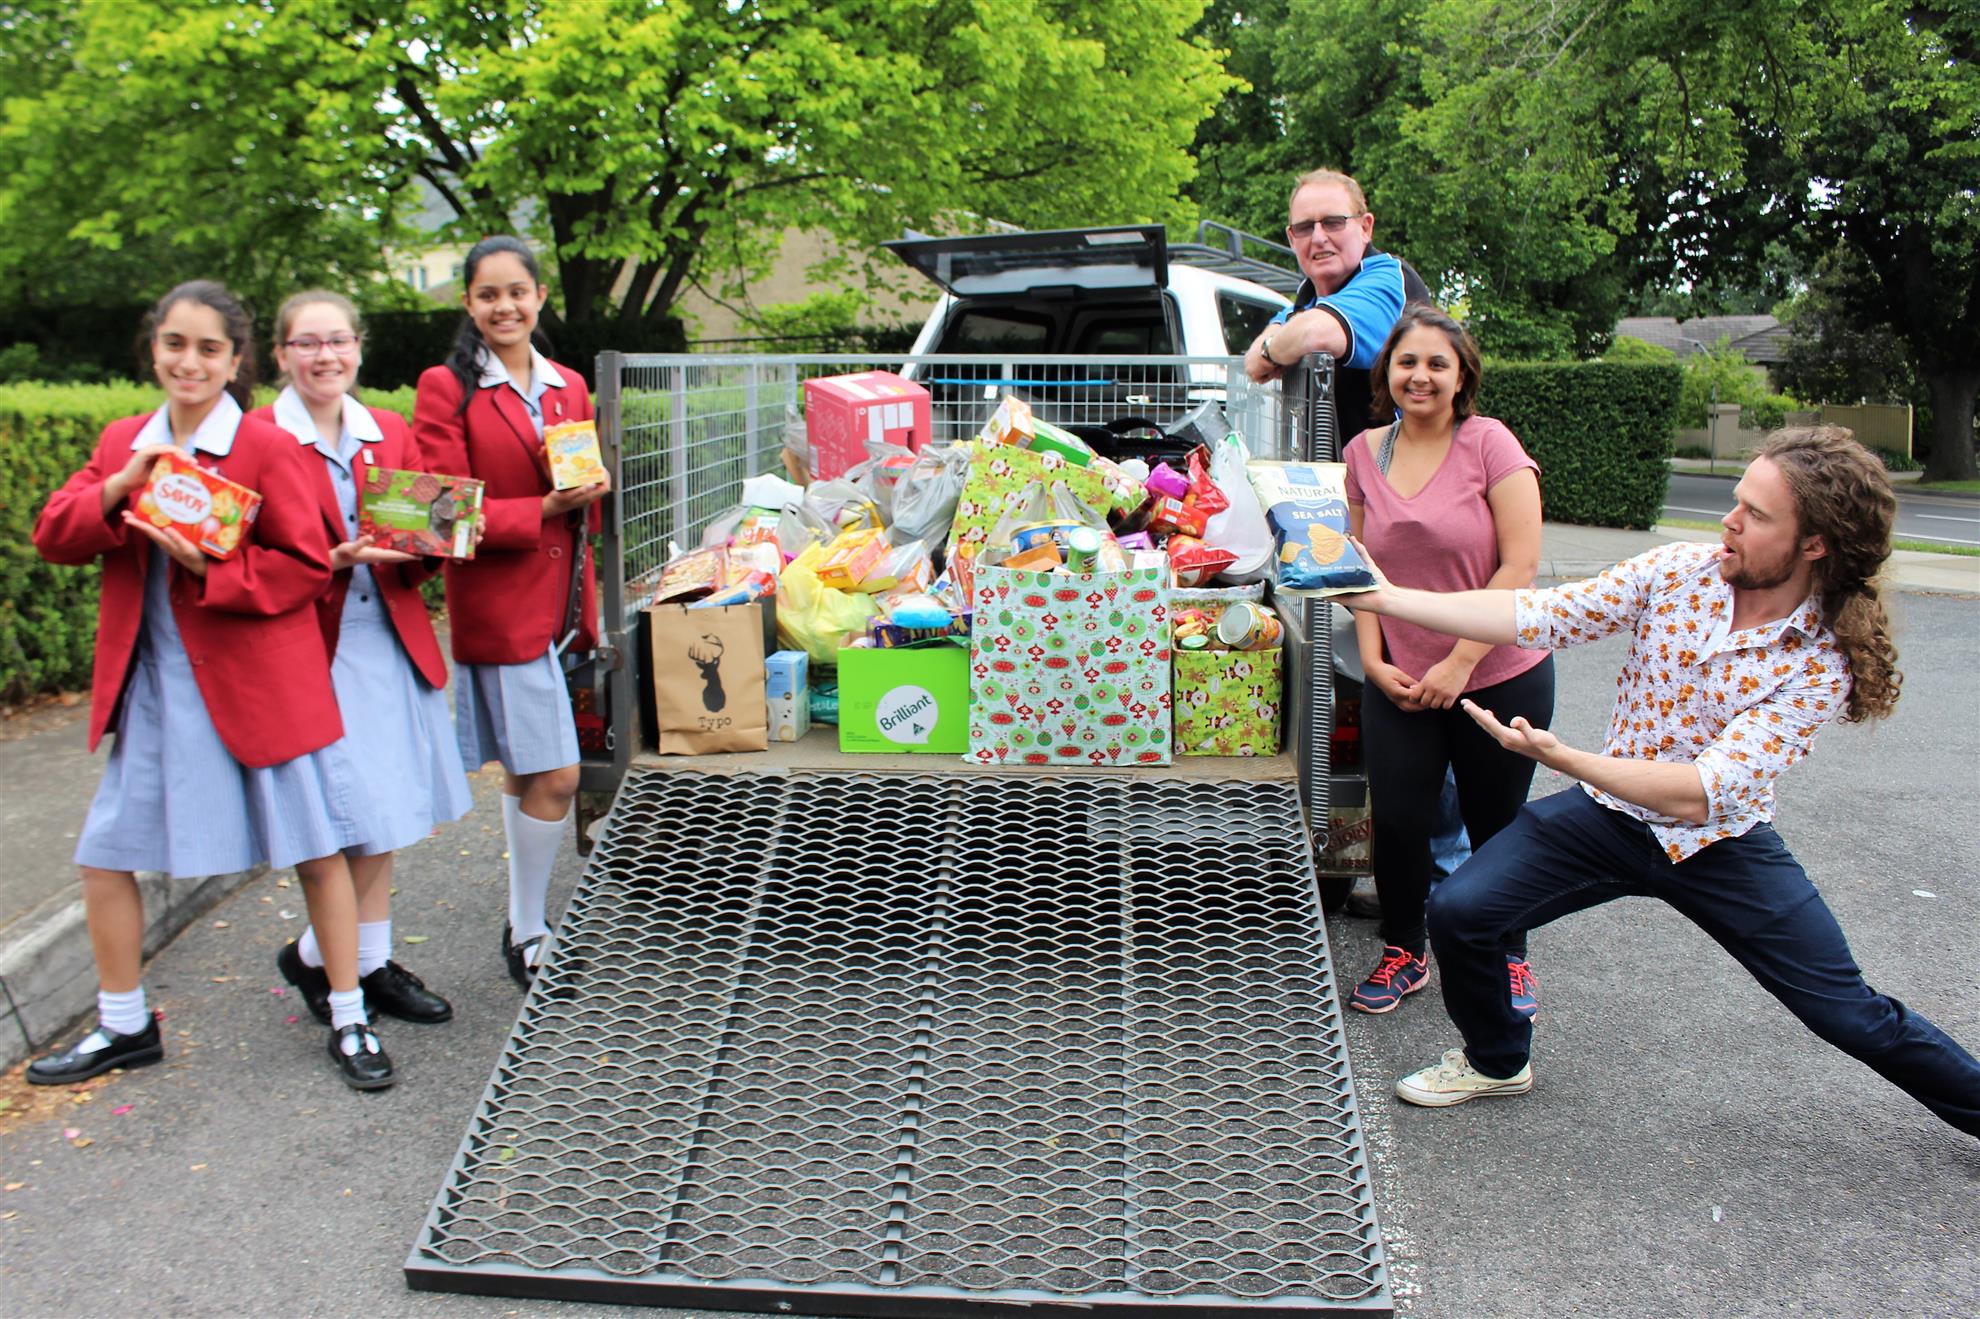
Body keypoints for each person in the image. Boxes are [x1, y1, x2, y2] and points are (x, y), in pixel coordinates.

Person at [1346, 428, 1980, 1134]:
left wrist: (1566, 759)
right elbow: (1538, 613)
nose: (1728, 522)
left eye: (1756, 514)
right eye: (1736, 501)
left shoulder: (1822, 661)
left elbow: (1700, 792)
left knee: (1847, 1012)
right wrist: (1388, 597)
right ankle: (1497, 1060)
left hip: (1716, 842)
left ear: (1815, 544)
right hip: (1609, 818)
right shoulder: (1682, 571)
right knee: (1461, 910)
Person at [29, 281, 393, 1090]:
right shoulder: (128, 439)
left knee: (317, 850)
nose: (187, 361)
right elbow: (54, 533)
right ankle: (124, 1023)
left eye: (207, 348)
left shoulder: (264, 446)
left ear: (236, 361)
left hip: (261, 681)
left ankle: (349, 1014)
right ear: (152, 349)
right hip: (157, 686)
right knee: (104, 856)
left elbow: (306, 566)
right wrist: (121, 483)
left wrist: (210, 567)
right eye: (173, 344)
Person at [252, 291, 471, 1028]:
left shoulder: (389, 430)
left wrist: (433, 543)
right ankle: (337, 963)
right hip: (311, 649)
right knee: (346, 817)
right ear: (282, 354)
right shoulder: (258, 437)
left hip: (389, 641)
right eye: (307, 343)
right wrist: (329, 559)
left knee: (389, 810)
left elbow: (424, 540)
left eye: (338, 340)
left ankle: (352, 958)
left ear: (359, 347)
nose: (325, 356)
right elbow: (248, 553)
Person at [1342, 305, 1552, 1017]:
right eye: (1407, 361)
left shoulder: (1490, 443)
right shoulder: (1363, 453)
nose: (1421, 375)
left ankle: (1507, 955)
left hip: (1497, 672)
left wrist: (1459, 663)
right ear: (1387, 372)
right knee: (1398, 820)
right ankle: (1405, 948)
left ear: (1462, 374)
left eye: (1437, 362)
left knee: (1498, 827)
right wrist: (1374, 661)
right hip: (1401, 676)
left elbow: (1519, 565)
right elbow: (1357, 572)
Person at [413, 236, 608, 987]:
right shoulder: (447, 387)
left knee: (528, 774)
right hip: (500, 606)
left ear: (539, 297)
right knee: (557, 775)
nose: (505, 306)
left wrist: (592, 493)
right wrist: (542, 509)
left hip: (564, 604)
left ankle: (523, 918)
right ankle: (528, 927)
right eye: (489, 295)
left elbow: (579, 485)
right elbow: (433, 513)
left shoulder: (567, 386)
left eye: (518, 292)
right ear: (469, 303)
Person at [1244, 168, 1431, 432]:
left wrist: (1269, 350)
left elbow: (1315, 333)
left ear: (1366, 227)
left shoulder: (1388, 278)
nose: (1319, 238)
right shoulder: (1309, 297)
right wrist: (1274, 345)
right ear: (1291, 238)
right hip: (1340, 469)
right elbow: (1254, 359)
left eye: (1333, 222)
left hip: (1400, 468)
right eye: (1305, 227)